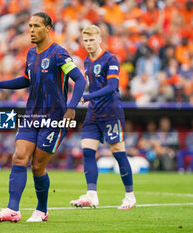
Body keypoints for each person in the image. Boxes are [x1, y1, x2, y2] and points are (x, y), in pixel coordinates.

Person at [0, 12, 86, 222]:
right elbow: (26, 79)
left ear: (48, 28)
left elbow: (80, 81)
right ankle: (12, 210)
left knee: (37, 165)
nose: (31, 30)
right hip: (32, 115)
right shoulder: (31, 54)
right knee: (19, 157)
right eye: (30, 26)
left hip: (54, 118)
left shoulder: (58, 54)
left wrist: (71, 108)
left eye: (36, 26)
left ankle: (42, 210)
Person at [69, 25, 136, 210]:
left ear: (99, 40)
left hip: (111, 112)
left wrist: (88, 96)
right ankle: (91, 195)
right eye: (86, 40)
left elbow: (112, 86)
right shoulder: (86, 61)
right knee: (88, 151)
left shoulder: (110, 59)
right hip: (94, 112)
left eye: (92, 40)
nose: (89, 43)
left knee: (118, 152)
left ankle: (129, 196)